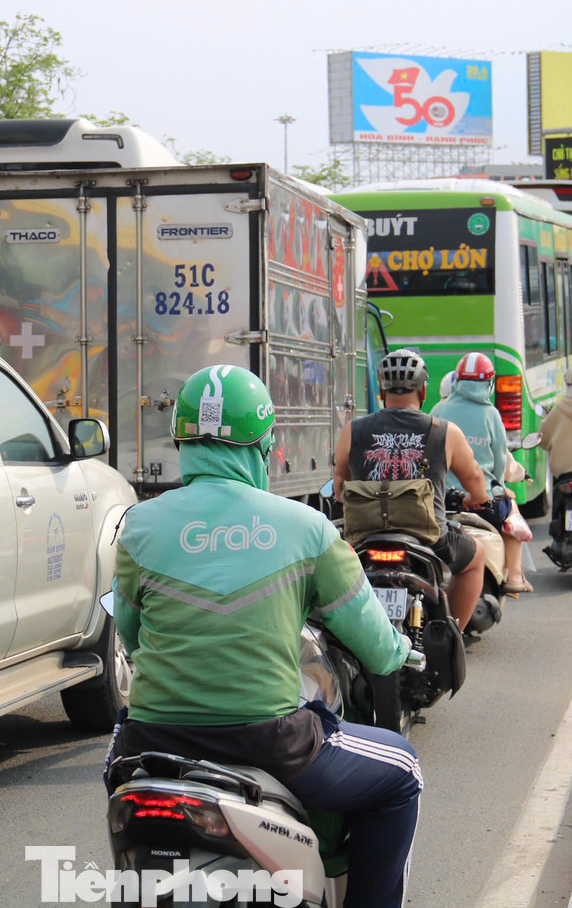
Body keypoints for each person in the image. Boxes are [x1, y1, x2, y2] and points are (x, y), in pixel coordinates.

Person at [109, 365, 422, 907]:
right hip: (269, 741)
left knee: (123, 797)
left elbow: (132, 638)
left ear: (183, 441)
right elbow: (373, 643)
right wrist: (402, 651)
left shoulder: (139, 525)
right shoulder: (307, 528)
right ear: (264, 445)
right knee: (401, 771)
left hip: (150, 740)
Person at [334, 349, 492, 631]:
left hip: (364, 536)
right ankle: (450, 632)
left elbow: (339, 485)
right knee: (476, 557)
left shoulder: (353, 430)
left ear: (381, 388)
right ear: (423, 389)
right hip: (430, 538)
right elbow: (475, 478)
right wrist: (477, 499)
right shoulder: (445, 431)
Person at [431, 352, 532, 594]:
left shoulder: (439, 409)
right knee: (512, 517)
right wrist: (498, 485)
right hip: (482, 502)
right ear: (488, 383)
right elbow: (499, 461)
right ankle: (515, 576)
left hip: (442, 501)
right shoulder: (490, 414)